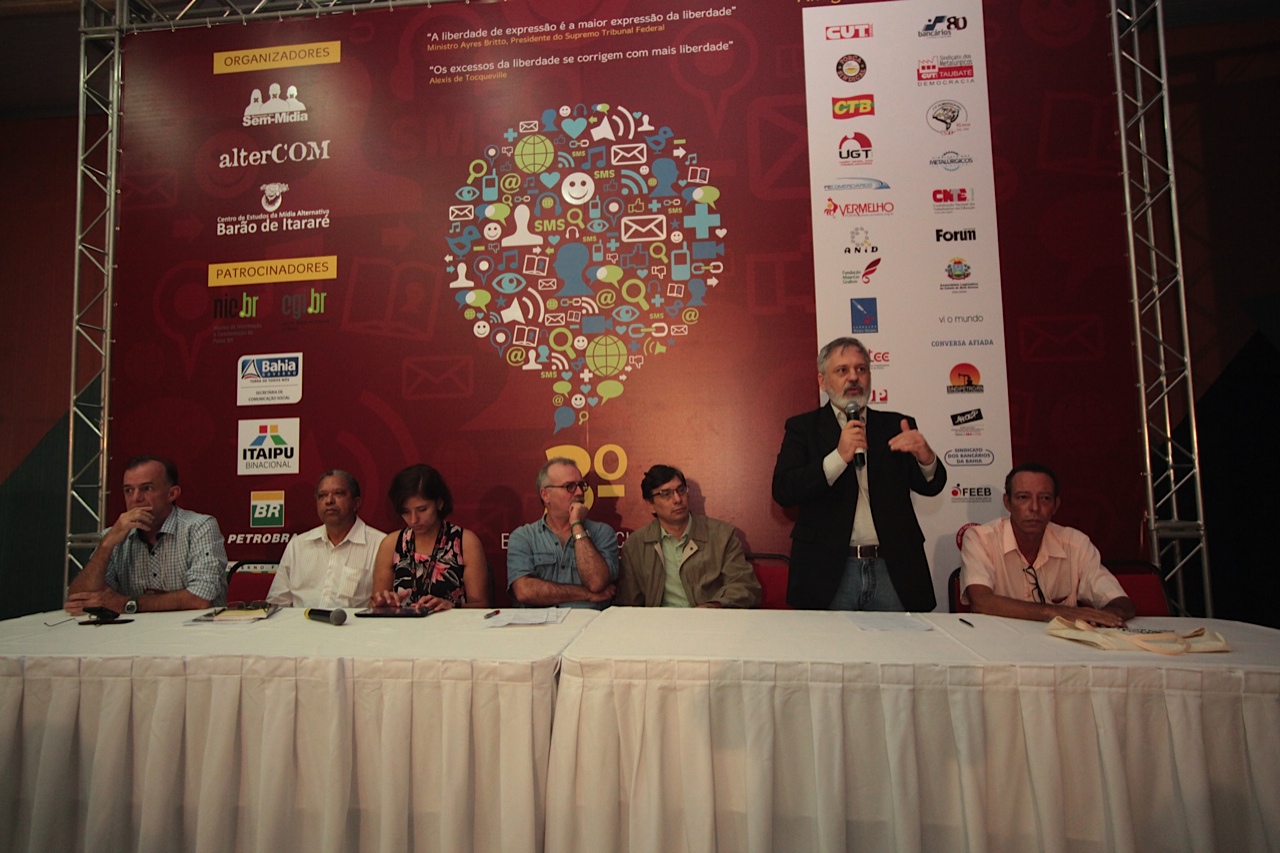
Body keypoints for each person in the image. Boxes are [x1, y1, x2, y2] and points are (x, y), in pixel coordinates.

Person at [772, 337, 947, 611]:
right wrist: (838, 457)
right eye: (842, 370)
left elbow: (930, 486)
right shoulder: (803, 428)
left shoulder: (896, 425)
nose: (854, 377)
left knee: (899, 640)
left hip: (893, 568)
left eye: (861, 369)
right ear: (822, 381)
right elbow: (784, 490)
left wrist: (926, 458)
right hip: (828, 571)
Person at [960, 462, 1135, 626]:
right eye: (1023, 497)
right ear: (1007, 502)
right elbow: (981, 602)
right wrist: (1057, 612)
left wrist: (1106, 617)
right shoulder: (980, 539)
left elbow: (1121, 602)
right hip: (998, 642)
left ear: (1056, 505)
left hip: (1060, 644)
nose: (1034, 508)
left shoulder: (1075, 543)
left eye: (1045, 498)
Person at [64, 455, 227, 614]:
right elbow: (78, 600)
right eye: (128, 490)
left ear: (172, 493)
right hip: (131, 630)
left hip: (192, 630)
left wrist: (127, 604)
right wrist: (105, 546)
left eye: (146, 488)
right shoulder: (113, 536)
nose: (136, 498)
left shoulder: (199, 527)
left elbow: (200, 598)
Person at [617, 464, 761, 608]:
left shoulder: (722, 535)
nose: (677, 499)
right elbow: (628, 604)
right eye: (666, 494)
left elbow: (745, 586)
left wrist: (714, 606)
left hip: (710, 618)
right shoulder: (635, 545)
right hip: (660, 621)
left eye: (681, 490)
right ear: (650, 505)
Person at [369, 464, 491, 611]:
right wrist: (383, 605)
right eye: (406, 511)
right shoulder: (391, 544)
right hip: (402, 625)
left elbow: (481, 607)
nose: (413, 519)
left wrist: (452, 607)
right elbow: (374, 604)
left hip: (452, 624)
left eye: (422, 509)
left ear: (439, 503)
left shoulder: (465, 542)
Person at [506, 457, 618, 608]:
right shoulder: (523, 537)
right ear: (545, 495)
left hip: (589, 621)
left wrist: (577, 525)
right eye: (570, 486)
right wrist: (587, 594)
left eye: (581, 485)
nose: (579, 492)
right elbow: (524, 591)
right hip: (539, 622)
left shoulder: (602, 532)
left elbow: (596, 583)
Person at [266, 470, 385, 608]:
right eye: (322, 495)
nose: (329, 501)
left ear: (356, 503)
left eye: (339, 493)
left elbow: (382, 607)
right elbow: (277, 603)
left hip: (351, 622)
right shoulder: (297, 546)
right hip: (300, 622)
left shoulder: (380, 545)